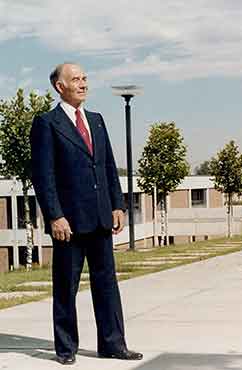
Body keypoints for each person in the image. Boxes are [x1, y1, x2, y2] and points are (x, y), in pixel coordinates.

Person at [30, 63, 143, 365]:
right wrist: (54, 215)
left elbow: (108, 166)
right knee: (66, 286)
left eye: (84, 79)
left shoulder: (97, 121)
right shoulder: (46, 123)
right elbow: (43, 175)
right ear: (59, 86)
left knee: (107, 284)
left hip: (101, 218)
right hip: (68, 222)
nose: (82, 84)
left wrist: (118, 205)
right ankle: (66, 349)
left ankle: (113, 344)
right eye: (75, 79)